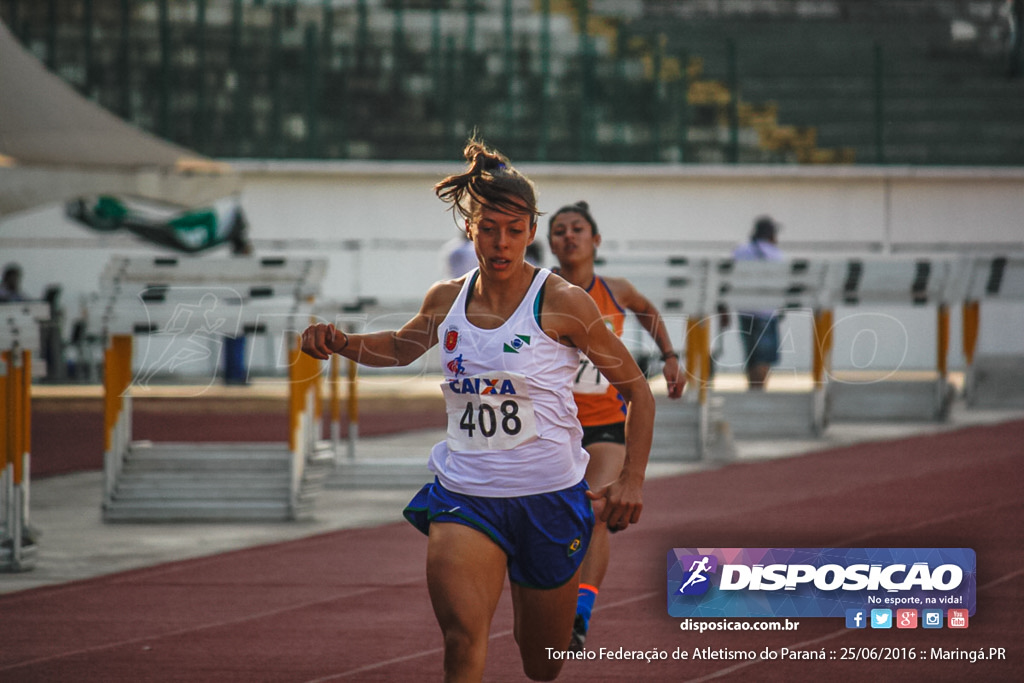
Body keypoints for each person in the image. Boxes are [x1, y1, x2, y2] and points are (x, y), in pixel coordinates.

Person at [300, 139, 655, 682]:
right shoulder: (446, 298)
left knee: (542, 662)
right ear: (470, 230)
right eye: (488, 228)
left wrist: (632, 478)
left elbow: (639, 391)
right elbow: (400, 347)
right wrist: (340, 341)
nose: (501, 242)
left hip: (549, 497)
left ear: (531, 232)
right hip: (467, 495)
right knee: (463, 640)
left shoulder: (562, 302)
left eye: (514, 230)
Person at [546, 200, 685, 651]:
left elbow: (647, 310)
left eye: (577, 229)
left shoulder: (616, 290)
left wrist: (668, 355)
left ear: (595, 240)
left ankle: (580, 613)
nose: (569, 236)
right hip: (552, 428)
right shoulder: (539, 293)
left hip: (606, 423)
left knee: (595, 513)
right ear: (549, 242)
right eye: (559, 230)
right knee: (551, 521)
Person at [724, 215, 786, 390]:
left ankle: (753, 388)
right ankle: (759, 391)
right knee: (763, 356)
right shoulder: (775, 254)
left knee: (751, 354)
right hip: (766, 311)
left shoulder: (741, 251)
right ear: (771, 234)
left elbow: (727, 279)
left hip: (745, 310)